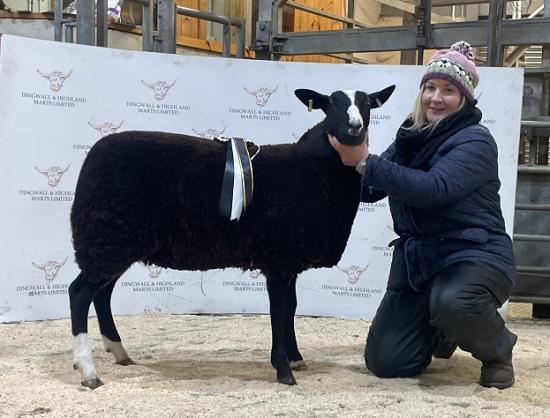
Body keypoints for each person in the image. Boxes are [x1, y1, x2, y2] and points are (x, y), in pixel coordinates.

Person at [328, 41, 517, 389]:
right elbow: (370, 190)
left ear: (465, 98)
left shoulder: (475, 141)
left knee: (454, 302)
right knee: (387, 362)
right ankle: (441, 330)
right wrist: (334, 160)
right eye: (430, 87)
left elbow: (434, 189)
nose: (435, 97)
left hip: (473, 255)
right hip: (420, 263)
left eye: (448, 90)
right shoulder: (410, 136)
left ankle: (498, 351)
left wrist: (366, 162)